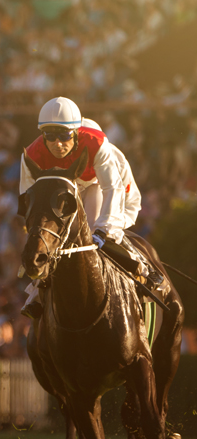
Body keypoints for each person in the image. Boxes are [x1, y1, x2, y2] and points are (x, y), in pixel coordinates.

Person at [19, 96, 164, 319]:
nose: (57, 143)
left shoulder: (98, 145)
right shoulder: (32, 155)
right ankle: (36, 292)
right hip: (71, 188)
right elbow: (28, 200)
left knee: (97, 230)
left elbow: (112, 189)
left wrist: (103, 231)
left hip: (108, 187)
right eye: (50, 135)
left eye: (64, 135)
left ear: (76, 133)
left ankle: (143, 267)